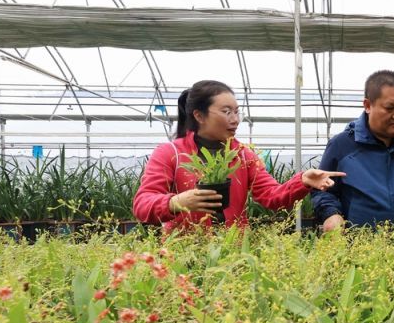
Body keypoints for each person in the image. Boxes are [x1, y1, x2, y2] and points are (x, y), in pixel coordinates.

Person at [133, 80, 344, 231]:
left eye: (237, 111)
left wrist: (302, 181)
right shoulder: (171, 153)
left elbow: (272, 197)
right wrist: (176, 202)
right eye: (226, 112)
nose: (235, 119)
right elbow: (142, 204)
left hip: (232, 256)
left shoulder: (243, 155)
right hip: (182, 258)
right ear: (199, 115)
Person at [312, 70, 394, 231]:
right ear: (368, 105)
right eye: (390, 108)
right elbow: (323, 190)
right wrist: (331, 214)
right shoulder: (342, 146)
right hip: (362, 249)